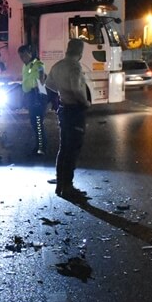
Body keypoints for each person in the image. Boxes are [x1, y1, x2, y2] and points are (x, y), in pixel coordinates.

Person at [45, 39, 91, 199]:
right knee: (73, 148)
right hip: (74, 110)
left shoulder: (57, 66)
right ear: (80, 52)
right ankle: (68, 187)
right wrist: (85, 102)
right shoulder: (74, 66)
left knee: (64, 147)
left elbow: (49, 84)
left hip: (63, 109)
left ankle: (60, 184)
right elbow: (76, 89)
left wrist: (61, 93)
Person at [18, 44, 48, 156]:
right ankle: (39, 145)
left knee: (38, 122)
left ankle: (42, 147)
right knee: (34, 122)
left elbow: (41, 76)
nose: (22, 58)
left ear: (30, 53)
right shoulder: (25, 66)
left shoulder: (38, 64)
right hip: (30, 96)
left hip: (37, 95)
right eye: (20, 56)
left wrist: (39, 94)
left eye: (24, 55)